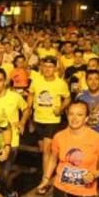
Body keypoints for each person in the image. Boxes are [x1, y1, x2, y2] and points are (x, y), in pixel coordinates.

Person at [0, 68, 30, 197]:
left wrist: (22, 122)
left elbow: (26, 109)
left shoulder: (15, 97)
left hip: (11, 141)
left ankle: (10, 195)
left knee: (4, 173)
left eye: (0, 80)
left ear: (5, 81)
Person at [27, 57, 70, 190]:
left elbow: (68, 98)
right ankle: (52, 168)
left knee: (46, 150)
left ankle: (44, 181)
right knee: (43, 150)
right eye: (45, 66)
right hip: (38, 119)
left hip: (52, 120)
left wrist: (61, 108)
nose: (47, 69)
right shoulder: (36, 81)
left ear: (55, 68)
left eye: (50, 67)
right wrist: (29, 109)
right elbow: (31, 94)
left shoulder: (60, 83)